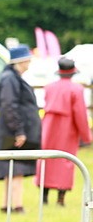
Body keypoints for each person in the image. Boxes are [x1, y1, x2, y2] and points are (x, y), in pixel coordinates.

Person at [0, 45, 41, 213]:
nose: (30, 62)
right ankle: (17, 205)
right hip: (11, 132)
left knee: (11, 169)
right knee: (16, 169)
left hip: (10, 130)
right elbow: (9, 106)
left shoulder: (12, 77)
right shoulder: (10, 79)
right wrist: (19, 130)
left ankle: (7, 204)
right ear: (21, 61)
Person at [35, 56, 92, 206]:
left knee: (47, 158)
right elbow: (80, 114)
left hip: (49, 125)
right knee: (66, 160)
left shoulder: (49, 87)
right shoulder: (76, 89)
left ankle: (44, 196)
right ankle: (60, 198)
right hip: (67, 127)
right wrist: (87, 136)